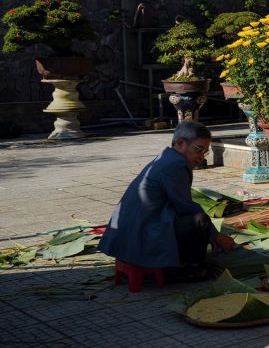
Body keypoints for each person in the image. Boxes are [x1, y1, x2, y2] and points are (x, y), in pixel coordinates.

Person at [98, 121, 235, 282]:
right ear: (180, 143)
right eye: (198, 149)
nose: (201, 157)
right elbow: (186, 207)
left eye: (204, 152)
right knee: (199, 221)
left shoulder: (167, 157)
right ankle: (188, 269)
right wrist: (217, 236)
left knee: (193, 219)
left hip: (131, 232)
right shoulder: (175, 164)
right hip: (141, 235)